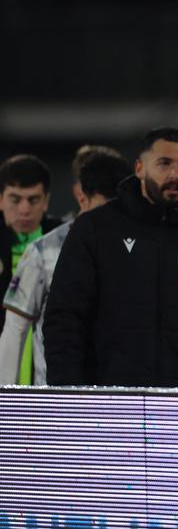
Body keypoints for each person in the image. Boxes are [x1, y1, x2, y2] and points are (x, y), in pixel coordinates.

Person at [43, 128, 178, 389]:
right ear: (139, 168)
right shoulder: (95, 230)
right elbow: (65, 320)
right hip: (110, 403)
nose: (175, 174)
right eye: (164, 163)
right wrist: (67, 395)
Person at [0, 147, 130, 385]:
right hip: (54, 398)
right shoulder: (44, 251)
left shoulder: (135, 250)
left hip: (116, 395)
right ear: (82, 197)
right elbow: (15, 330)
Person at [0, 155, 60, 334]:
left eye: (33, 200)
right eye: (15, 200)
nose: (24, 210)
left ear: (46, 201)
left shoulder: (67, 243)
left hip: (46, 356)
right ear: (1, 200)